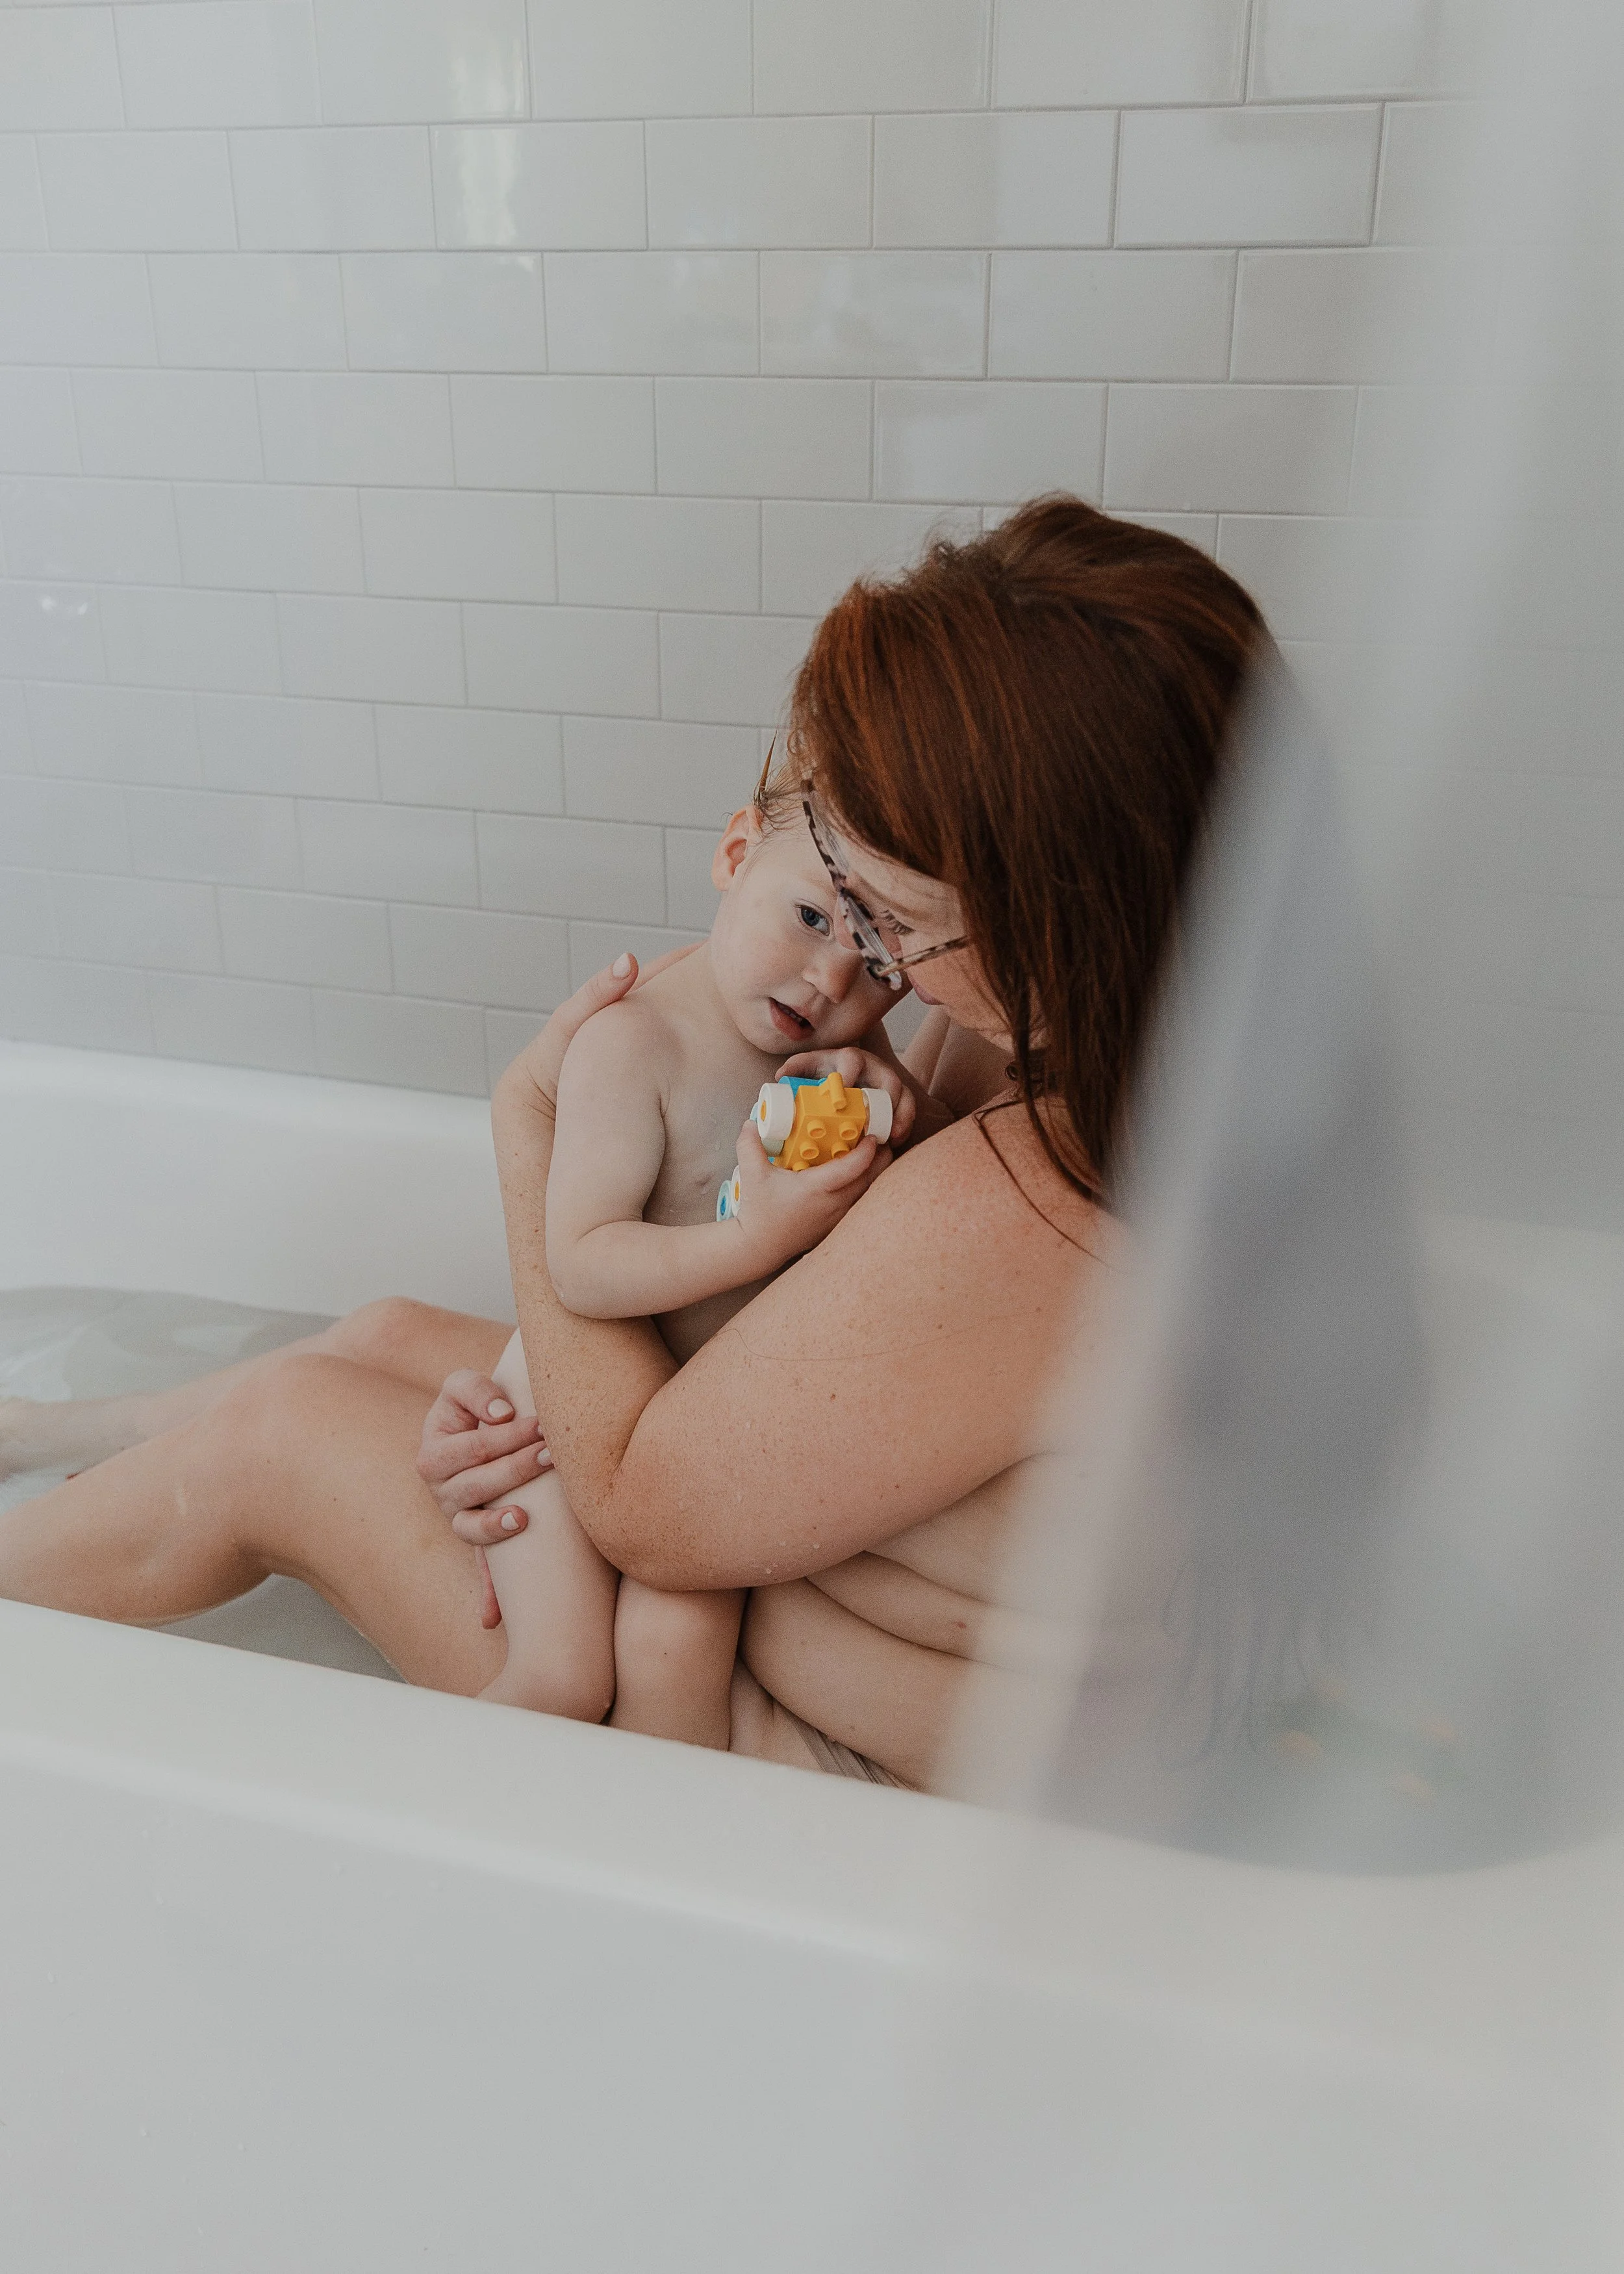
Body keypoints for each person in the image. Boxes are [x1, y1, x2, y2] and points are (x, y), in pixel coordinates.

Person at [0, 498, 1267, 1798]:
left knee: (281, 1428)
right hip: (815, 1593)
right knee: (383, 1335)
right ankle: (56, 1434)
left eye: (897, 911)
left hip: (794, 1766)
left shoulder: (1031, 1204)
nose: (869, 952)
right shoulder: (1103, 1057)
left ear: (1054, 906)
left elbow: (638, 1504)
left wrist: (528, 1130)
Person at [476, 765, 907, 1743]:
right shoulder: (638, 1043)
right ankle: (408, 1846)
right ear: (734, 854)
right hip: (559, 1423)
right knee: (562, 1677)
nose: (831, 979)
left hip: (697, 1437)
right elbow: (580, 1263)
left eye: (881, 965)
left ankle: (647, 1861)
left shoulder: (840, 1073)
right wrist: (751, 1238)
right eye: (811, 916)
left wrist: (893, 1113)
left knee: (680, 1655)